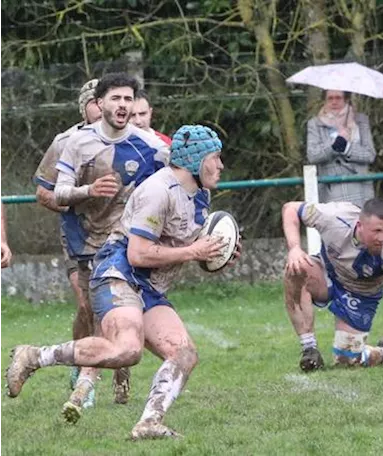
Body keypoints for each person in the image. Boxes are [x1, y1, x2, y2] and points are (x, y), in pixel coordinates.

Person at [7, 125, 235, 440]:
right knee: (127, 350)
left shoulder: (200, 196)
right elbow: (138, 253)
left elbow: (184, 247)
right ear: (196, 161)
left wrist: (214, 255)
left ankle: (149, 422)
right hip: (119, 273)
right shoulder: (158, 191)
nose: (221, 165)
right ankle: (34, 356)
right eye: (215, 157)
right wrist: (193, 250)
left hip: (149, 287)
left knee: (184, 354)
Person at [52, 73, 171, 411]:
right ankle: (94, 370)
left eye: (128, 99)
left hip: (124, 244)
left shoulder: (151, 145)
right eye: (116, 99)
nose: (123, 105)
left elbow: (177, 179)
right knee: (91, 311)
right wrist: (89, 190)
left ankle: (94, 382)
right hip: (85, 238)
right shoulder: (75, 142)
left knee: (120, 313)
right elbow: (58, 192)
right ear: (99, 104)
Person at [280, 198, 383, 372]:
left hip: (360, 294)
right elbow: (290, 209)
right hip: (327, 271)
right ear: (360, 225)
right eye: (377, 231)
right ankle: (309, 350)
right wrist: (294, 248)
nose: (382, 237)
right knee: (296, 269)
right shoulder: (334, 218)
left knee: (346, 361)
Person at [32, 79, 104, 404]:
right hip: (77, 234)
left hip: (115, 235)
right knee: (87, 306)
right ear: (84, 106)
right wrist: (75, 198)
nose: (102, 108)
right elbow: (43, 193)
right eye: (95, 102)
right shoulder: (65, 142)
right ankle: (81, 367)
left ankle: (116, 374)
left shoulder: (128, 141)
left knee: (112, 310)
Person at [307, 90, 376, 205]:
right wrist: (335, 145)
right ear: (325, 101)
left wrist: (346, 148)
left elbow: (370, 154)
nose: (334, 102)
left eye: (338, 98)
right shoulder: (315, 124)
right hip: (332, 189)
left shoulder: (360, 120)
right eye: (330, 98)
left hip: (361, 187)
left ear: (346, 100)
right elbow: (313, 155)